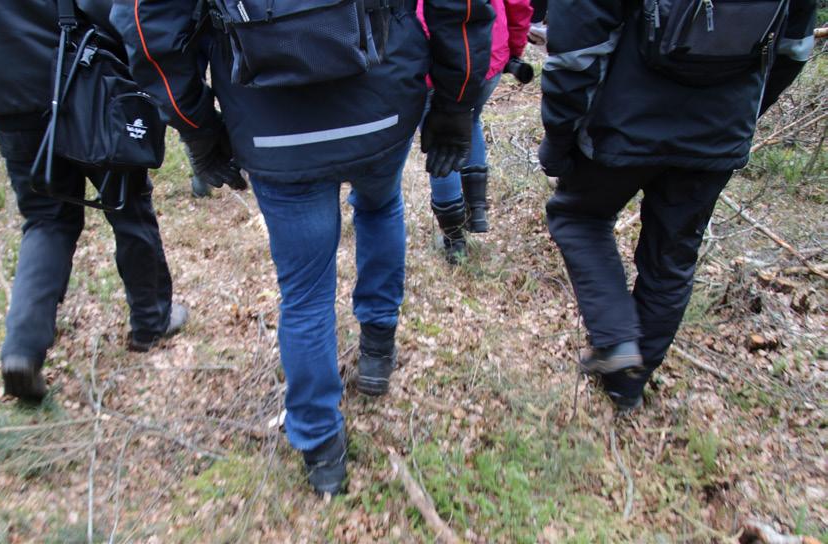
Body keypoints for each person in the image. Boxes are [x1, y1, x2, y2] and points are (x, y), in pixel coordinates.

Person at [112, 0, 494, 494]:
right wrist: (456, 101)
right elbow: (460, 6)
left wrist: (198, 128)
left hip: (273, 129)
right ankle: (378, 348)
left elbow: (146, 28)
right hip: (381, 108)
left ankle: (320, 447)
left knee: (306, 291)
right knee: (379, 207)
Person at [539, 0, 816, 412]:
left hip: (623, 125)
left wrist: (559, 137)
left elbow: (576, 49)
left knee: (579, 217)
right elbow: (793, 50)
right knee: (672, 257)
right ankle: (628, 385)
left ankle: (616, 342)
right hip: (719, 134)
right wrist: (738, 114)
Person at [0, 0, 189, 402]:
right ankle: (151, 321)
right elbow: (109, 10)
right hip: (79, 85)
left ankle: (22, 350)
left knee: (46, 220)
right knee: (128, 206)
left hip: (4, 96)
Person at [419, 0, 533, 263]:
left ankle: (454, 238)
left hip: (432, 52)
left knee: (442, 142)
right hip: (489, 51)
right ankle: (477, 212)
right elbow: (519, 3)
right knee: (470, 120)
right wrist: (514, 48)